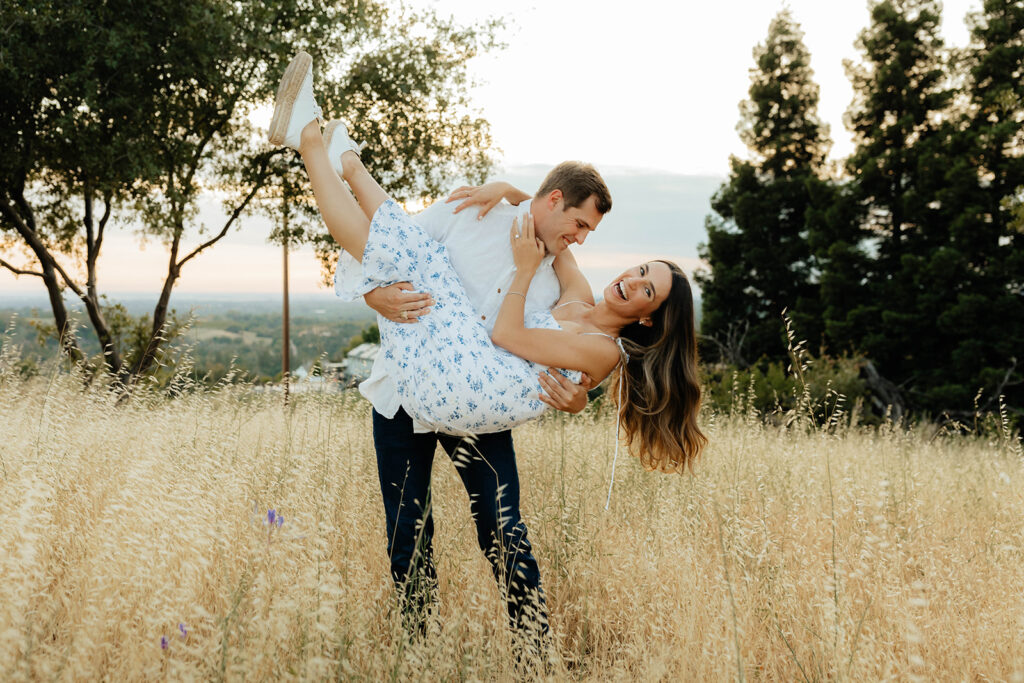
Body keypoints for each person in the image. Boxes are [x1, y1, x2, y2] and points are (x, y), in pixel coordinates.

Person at [268, 51, 706, 648]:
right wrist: (376, 296)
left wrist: (578, 392)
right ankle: (417, 648)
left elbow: (526, 334)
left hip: (472, 400)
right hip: (405, 388)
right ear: (552, 204)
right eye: (579, 226)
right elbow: (392, 240)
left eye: (644, 284)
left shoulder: (555, 275)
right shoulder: (479, 216)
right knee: (407, 530)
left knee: (504, 532)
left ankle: (533, 652)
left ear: (651, 313)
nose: (582, 244)